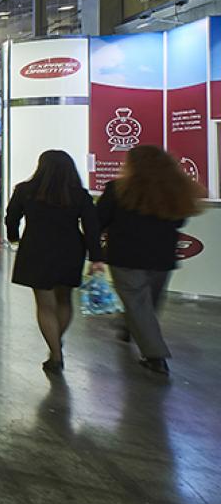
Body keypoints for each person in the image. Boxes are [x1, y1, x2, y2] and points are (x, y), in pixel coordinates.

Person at [96, 146, 203, 375]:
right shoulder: (173, 190)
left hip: (125, 256)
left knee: (138, 303)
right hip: (161, 257)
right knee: (148, 302)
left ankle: (155, 356)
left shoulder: (117, 189)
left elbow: (100, 219)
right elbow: (179, 221)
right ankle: (128, 327)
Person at [5, 149, 104, 374]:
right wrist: (96, 257)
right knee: (64, 300)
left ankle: (56, 354)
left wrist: (13, 237)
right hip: (70, 250)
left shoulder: (25, 190)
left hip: (35, 249)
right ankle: (56, 343)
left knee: (44, 304)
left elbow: (12, 218)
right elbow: (92, 227)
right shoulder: (79, 194)